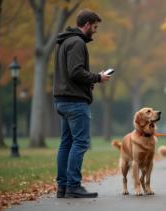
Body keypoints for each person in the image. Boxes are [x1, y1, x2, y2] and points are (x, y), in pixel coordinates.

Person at [53, 9, 110, 198]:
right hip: (75, 102)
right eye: (94, 27)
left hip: (62, 101)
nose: (95, 31)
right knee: (80, 142)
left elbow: (71, 71)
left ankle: (63, 187)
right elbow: (75, 72)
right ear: (87, 25)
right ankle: (73, 186)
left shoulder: (63, 42)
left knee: (66, 144)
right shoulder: (77, 42)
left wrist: (95, 76)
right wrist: (97, 77)